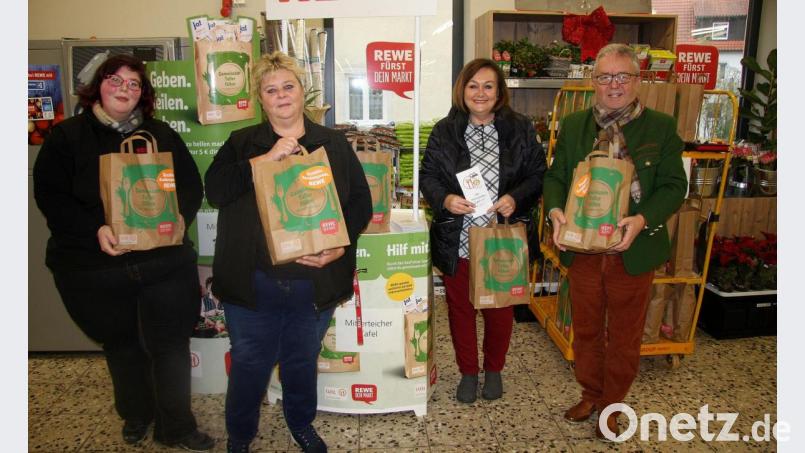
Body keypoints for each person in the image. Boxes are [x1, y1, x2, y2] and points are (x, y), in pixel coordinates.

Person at [32, 54, 214, 451]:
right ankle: (137, 414)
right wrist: (92, 228)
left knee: (170, 346)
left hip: (162, 262)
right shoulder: (67, 137)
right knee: (122, 344)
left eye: (134, 84)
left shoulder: (162, 134)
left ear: (143, 94)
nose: (124, 89)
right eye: (115, 79)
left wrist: (181, 215)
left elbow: (189, 184)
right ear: (98, 85)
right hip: (94, 267)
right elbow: (50, 196)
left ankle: (177, 426)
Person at [204, 51, 371, 453]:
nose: (281, 96)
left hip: (313, 280)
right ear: (261, 99)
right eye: (271, 89)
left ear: (302, 92)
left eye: (288, 86)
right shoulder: (242, 143)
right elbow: (217, 191)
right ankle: (240, 436)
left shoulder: (331, 143)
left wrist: (336, 245)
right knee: (248, 363)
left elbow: (360, 204)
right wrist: (264, 160)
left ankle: (301, 424)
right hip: (254, 279)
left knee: (301, 360)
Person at [543, 43, 687, 440]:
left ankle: (612, 405)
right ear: (593, 82)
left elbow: (675, 186)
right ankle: (591, 393)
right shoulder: (574, 125)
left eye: (623, 76)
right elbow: (556, 177)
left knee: (624, 335)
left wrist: (642, 220)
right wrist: (557, 212)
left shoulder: (659, 126)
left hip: (633, 250)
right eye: (605, 77)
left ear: (637, 80)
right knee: (586, 330)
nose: (614, 85)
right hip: (585, 250)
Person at [420, 58, 546, 404]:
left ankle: (493, 370)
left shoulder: (520, 128)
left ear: (499, 91)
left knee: (499, 308)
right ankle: (468, 373)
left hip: (501, 236)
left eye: (488, 86)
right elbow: (427, 176)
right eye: (473, 85)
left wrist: (514, 198)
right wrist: (445, 199)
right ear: (462, 90)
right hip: (457, 237)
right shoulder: (444, 131)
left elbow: (538, 174)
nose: (480, 93)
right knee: (460, 309)